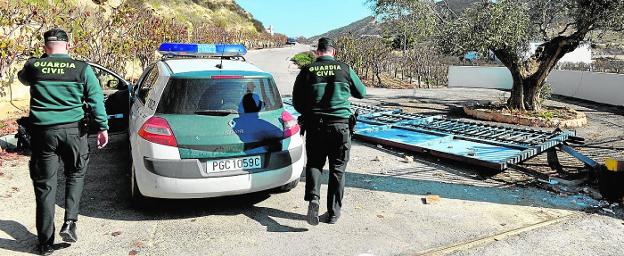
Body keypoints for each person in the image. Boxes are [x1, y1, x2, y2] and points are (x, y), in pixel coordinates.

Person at [18, 28, 109, 255]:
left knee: (45, 186)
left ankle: (45, 243)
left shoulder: (33, 66)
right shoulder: (82, 69)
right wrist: (102, 127)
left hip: (43, 134)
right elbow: (96, 99)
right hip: (73, 131)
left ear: (44, 46)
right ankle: (70, 222)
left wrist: (40, 62)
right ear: (68, 46)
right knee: (75, 174)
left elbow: (23, 78)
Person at [292, 37, 366, 225]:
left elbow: (297, 102)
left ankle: (313, 198)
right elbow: (361, 93)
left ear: (317, 52)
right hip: (340, 126)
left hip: (315, 125)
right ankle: (333, 213)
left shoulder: (307, 70)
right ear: (333, 52)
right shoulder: (344, 68)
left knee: (315, 164)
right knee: (338, 169)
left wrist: (310, 110)